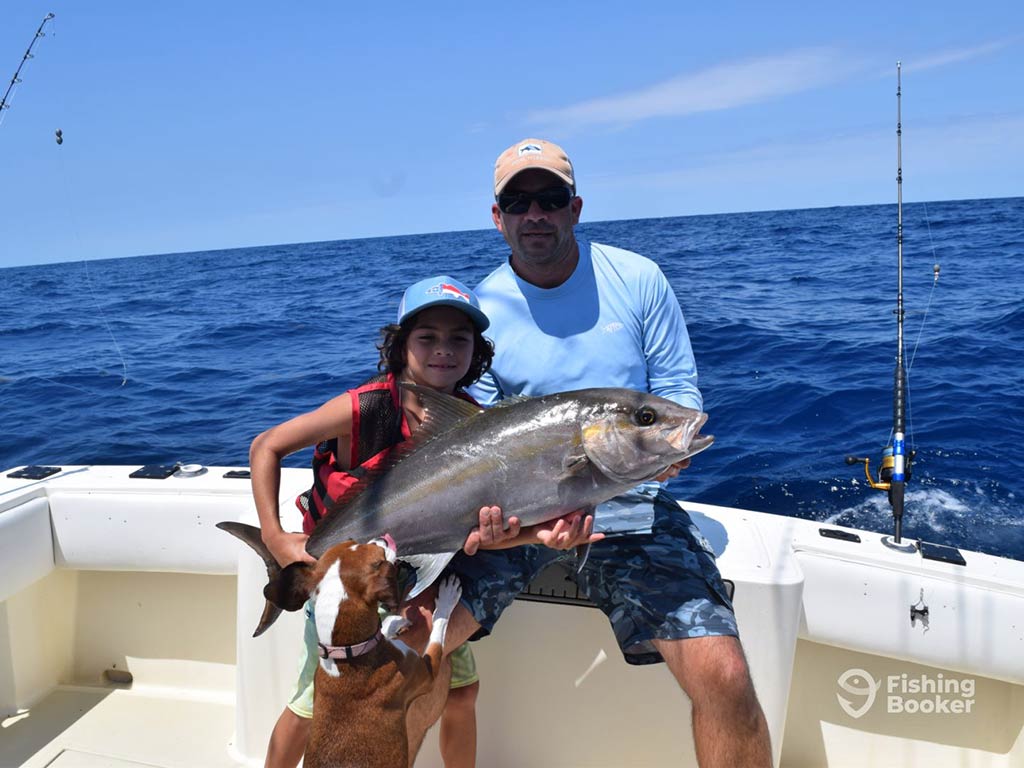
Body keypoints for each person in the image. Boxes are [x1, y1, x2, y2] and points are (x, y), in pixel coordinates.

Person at [408, 139, 774, 768]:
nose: (536, 214)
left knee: (726, 676)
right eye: (518, 202)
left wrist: (665, 453)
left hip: (631, 513)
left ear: (574, 208)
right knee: (412, 655)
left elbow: (677, 394)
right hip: (519, 523)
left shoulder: (637, 279)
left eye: (550, 199)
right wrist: (507, 528)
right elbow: (474, 430)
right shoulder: (482, 309)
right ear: (497, 217)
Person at [249, 275, 502, 768]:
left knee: (460, 695)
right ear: (401, 345)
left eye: (459, 339)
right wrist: (274, 536)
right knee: (310, 705)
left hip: (424, 587)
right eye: (427, 337)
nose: (443, 351)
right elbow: (267, 445)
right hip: (348, 593)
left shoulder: (476, 424)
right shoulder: (366, 407)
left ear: (477, 350)